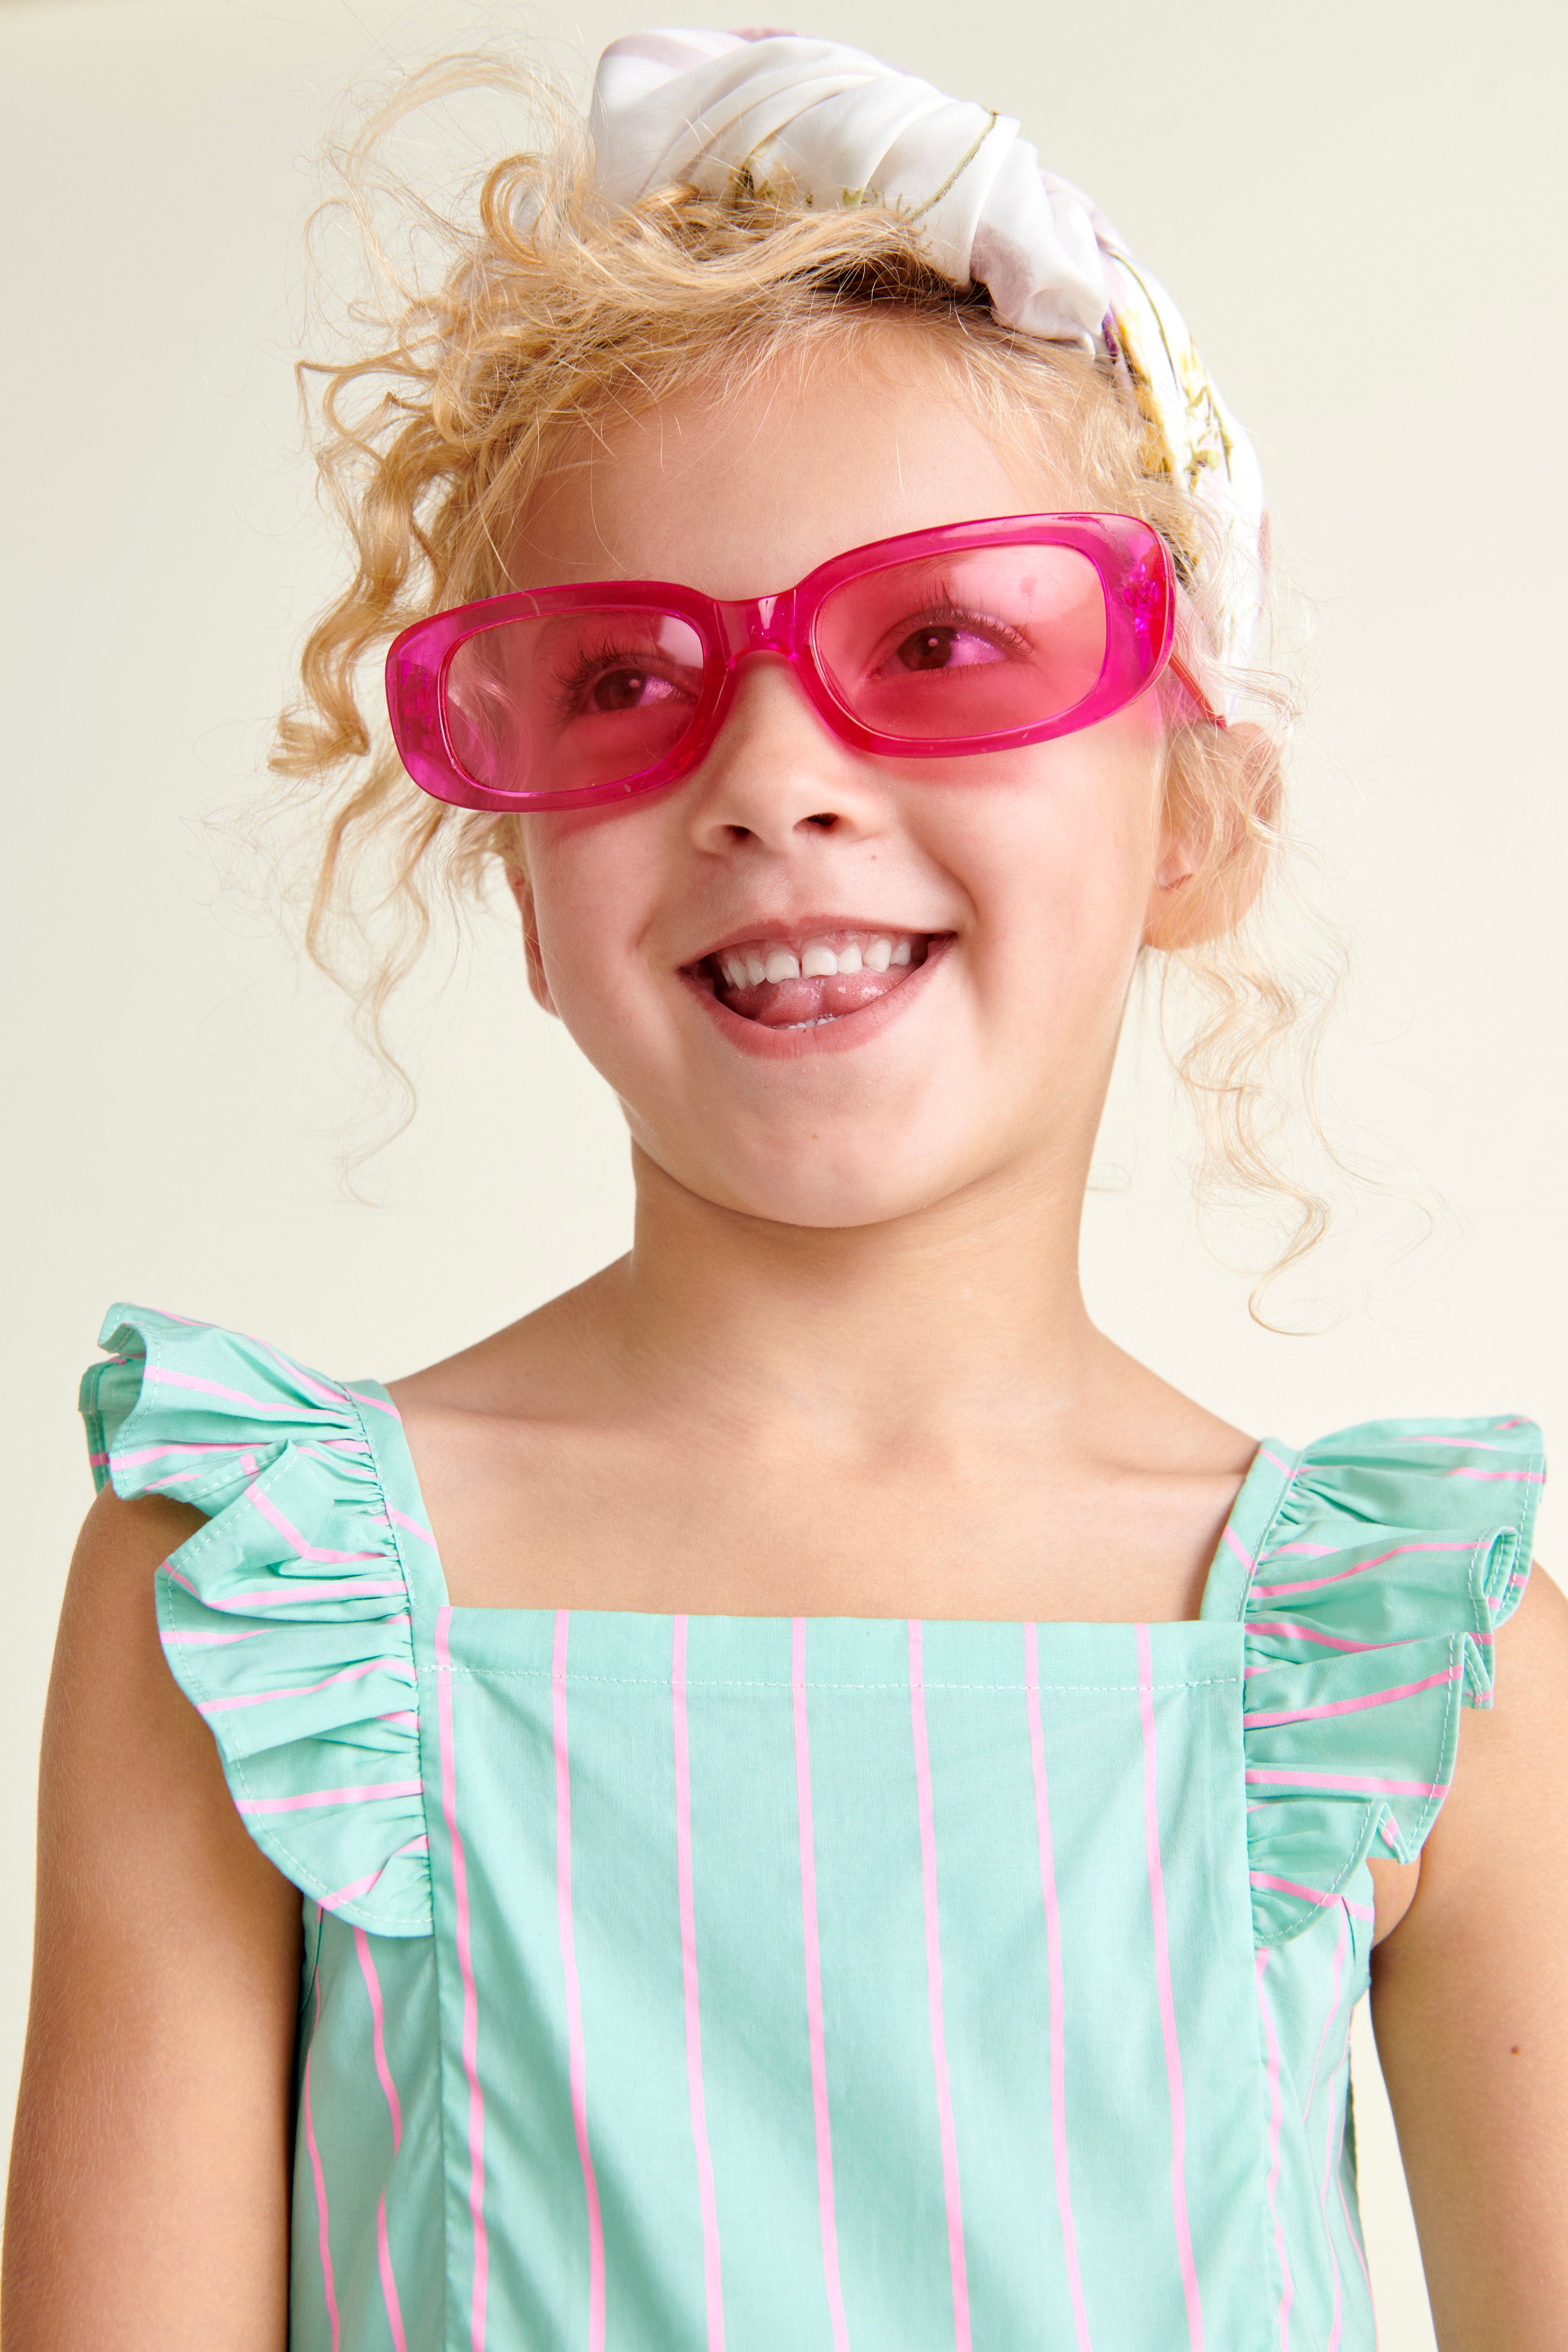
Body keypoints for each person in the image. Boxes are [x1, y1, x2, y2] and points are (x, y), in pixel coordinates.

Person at [6, 27, 1564, 2352]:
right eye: (623, 677)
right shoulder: (256, 1599)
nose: (774, 780)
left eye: (941, 641)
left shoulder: (1420, 1662)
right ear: (521, 880)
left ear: (1199, 812)